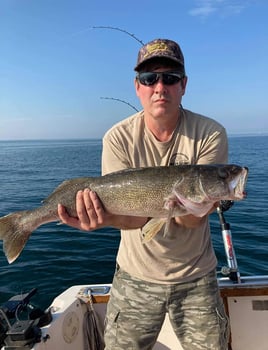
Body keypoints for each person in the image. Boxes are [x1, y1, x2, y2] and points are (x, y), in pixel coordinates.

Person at [58, 38, 230, 350]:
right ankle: (24, 223)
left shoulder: (210, 133)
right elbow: (131, 218)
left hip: (197, 276)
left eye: (170, 78)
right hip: (135, 275)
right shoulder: (117, 138)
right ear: (137, 87)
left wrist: (196, 206)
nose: (159, 87)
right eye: (149, 79)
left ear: (184, 85)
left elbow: (191, 221)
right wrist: (103, 218)